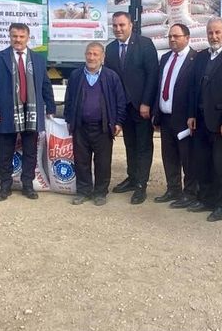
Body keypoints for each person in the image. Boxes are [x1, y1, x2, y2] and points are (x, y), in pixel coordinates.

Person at [0, 23, 55, 201]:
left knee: (30, 152)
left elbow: (45, 84)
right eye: (14, 36)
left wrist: (51, 107)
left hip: (32, 111)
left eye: (21, 36)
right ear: (9, 37)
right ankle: (5, 186)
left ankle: (28, 185)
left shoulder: (38, 59)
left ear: (28, 38)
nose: (18, 40)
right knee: (5, 152)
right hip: (6, 113)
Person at [185, 18, 222, 222]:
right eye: (210, 32)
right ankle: (205, 199)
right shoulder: (201, 57)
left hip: (221, 123)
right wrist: (191, 114)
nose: (214, 36)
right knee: (202, 162)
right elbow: (193, 88)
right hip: (201, 119)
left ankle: (221, 205)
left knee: (220, 166)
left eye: (218, 32)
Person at [105, 11, 159, 204]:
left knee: (143, 146)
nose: (118, 29)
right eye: (115, 25)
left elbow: (153, 75)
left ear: (131, 25)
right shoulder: (110, 49)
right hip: (123, 107)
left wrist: (146, 102)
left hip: (141, 106)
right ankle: (132, 177)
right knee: (129, 144)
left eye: (122, 25)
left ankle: (141, 185)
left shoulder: (145, 44)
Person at [64, 42, 127, 206]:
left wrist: (118, 122)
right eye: (89, 54)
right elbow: (68, 99)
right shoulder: (76, 75)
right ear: (85, 55)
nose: (91, 57)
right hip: (80, 127)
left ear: (102, 57)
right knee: (81, 161)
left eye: (95, 54)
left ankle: (100, 193)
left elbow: (120, 101)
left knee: (103, 162)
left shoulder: (111, 76)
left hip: (103, 127)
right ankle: (83, 191)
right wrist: (69, 119)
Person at [154, 23, 199, 208]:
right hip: (166, 117)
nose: (172, 39)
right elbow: (159, 86)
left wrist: (192, 115)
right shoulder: (165, 58)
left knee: (188, 158)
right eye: (170, 36)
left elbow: (196, 91)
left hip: (184, 118)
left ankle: (190, 193)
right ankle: (173, 189)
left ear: (187, 38)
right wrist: (156, 114)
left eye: (176, 36)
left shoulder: (195, 59)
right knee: (169, 156)